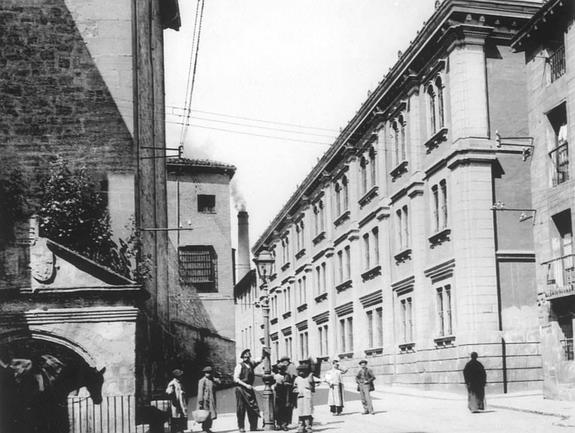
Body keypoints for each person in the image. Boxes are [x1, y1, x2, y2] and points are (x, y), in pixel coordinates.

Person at [233, 348, 265, 432]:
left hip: (249, 389)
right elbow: (236, 379)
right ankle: (241, 427)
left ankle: (253, 427)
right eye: (244, 357)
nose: (246, 359)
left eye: (247, 357)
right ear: (242, 358)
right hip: (240, 389)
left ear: (249, 357)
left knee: (253, 407)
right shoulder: (239, 366)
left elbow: (259, 360)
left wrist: (263, 354)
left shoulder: (251, 364)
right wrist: (245, 385)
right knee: (241, 408)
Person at [292, 364, 321, 433]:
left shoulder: (309, 377)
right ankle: (301, 427)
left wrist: (312, 382)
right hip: (300, 396)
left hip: (307, 396)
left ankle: (308, 426)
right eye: (299, 371)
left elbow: (313, 386)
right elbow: (294, 387)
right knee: (300, 412)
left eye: (303, 371)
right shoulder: (297, 379)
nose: (301, 373)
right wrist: (295, 390)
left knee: (307, 412)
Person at [197, 366, 221, 433]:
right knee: (205, 414)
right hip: (205, 400)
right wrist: (200, 401)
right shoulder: (202, 381)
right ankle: (204, 428)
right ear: (204, 373)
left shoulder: (212, 380)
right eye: (207, 373)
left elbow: (219, 383)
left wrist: (216, 379)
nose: (208, 374)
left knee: (211, 413)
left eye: (210, 373)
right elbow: (200, 391)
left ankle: (208, 428)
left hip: (211, 399)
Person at [276, 356, 297, 429]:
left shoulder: (290, 368)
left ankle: (284, 424)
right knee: (279, 409)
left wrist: (288, 384)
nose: (280, 370)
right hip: (280, 394)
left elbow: (292, 379)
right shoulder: (277, 375)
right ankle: (280, 424)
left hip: (287, 393)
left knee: (286, 408)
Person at [166, 369, 188, 433]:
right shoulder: (172, 383)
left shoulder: (180, 383)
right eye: (180, 376)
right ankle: (176, 430)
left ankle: (181, 430)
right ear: (177, 376)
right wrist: (171, 391)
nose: (181, 377)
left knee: (181, 417)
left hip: (181, 404)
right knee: (175, 418)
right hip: (176, 404)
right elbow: (168, 392)